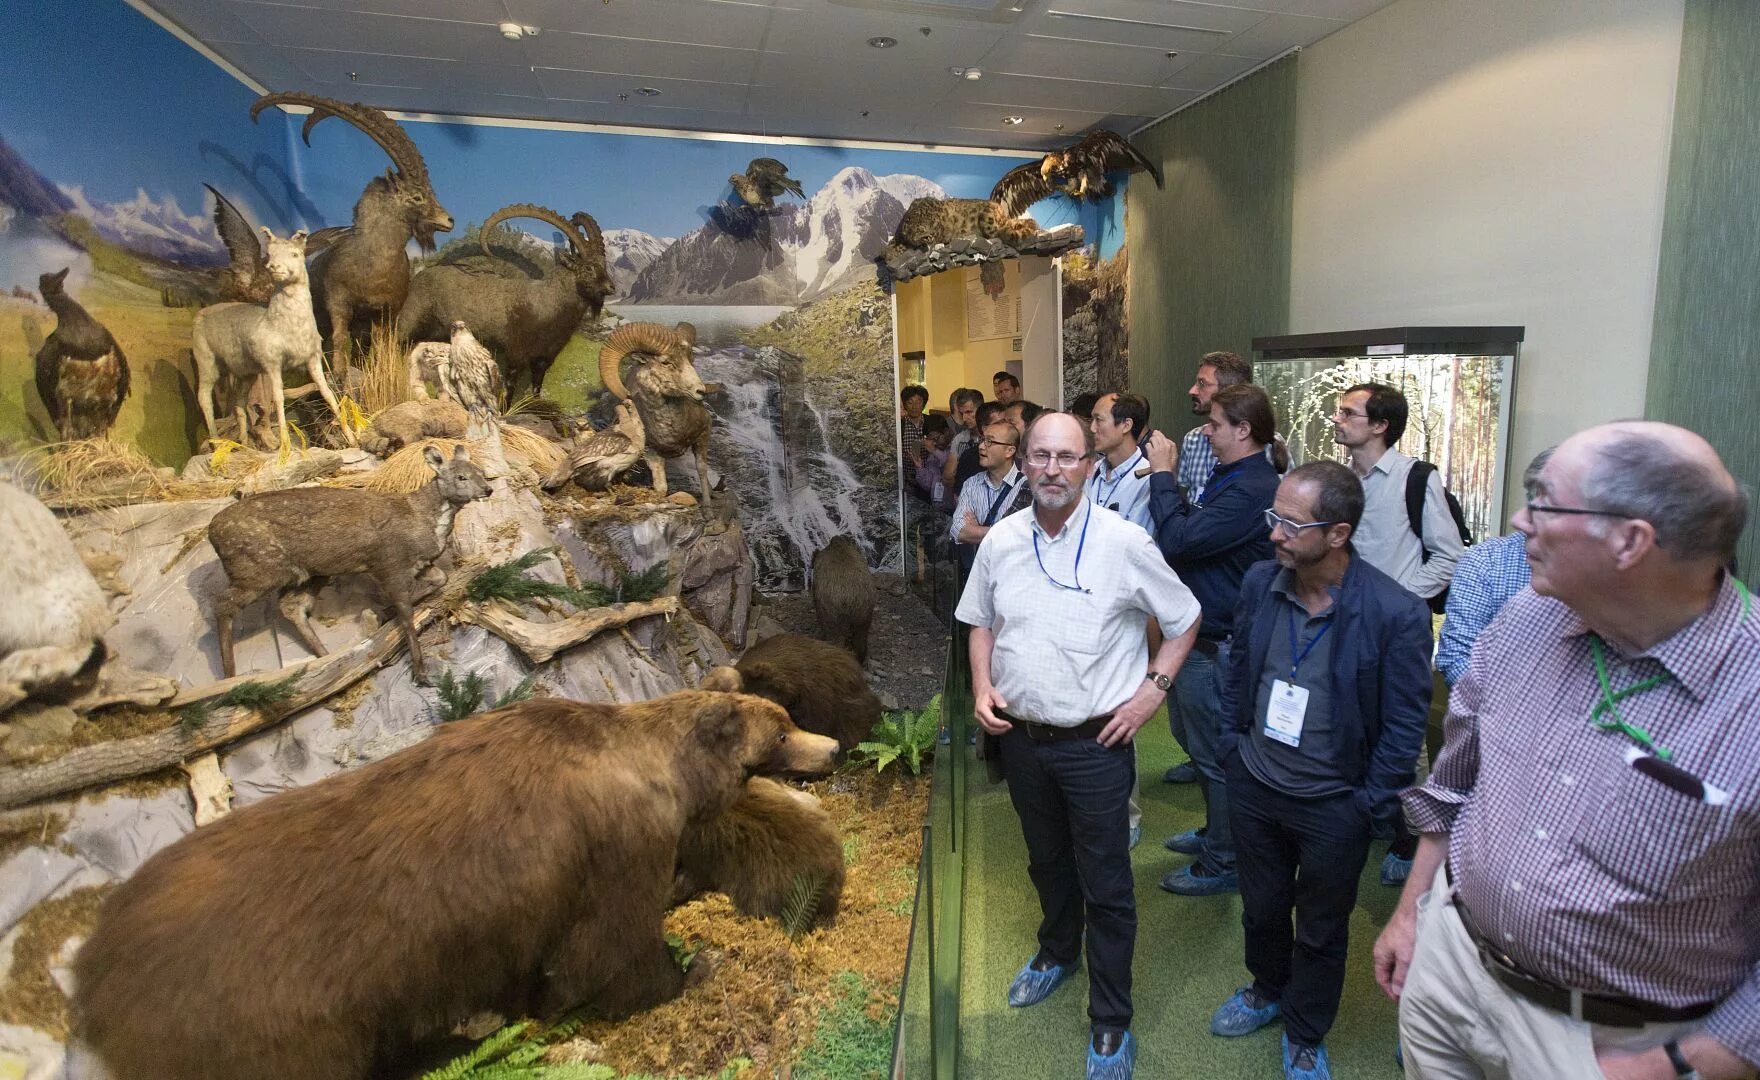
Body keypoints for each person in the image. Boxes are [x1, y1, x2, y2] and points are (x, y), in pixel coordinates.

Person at [1373, 421, 1758, 1080]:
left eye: (1544, 501)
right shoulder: (1525, 618)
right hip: (1452, 970)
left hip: (1611, 1046)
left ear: (1630, 541)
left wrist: (1679, 1066)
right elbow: (1452, 785)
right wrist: (1413, 916)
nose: (1521, 521)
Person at [958, 411, 1202, 1080]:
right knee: (1046, 862)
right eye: (1041, 455)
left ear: (1088, 466)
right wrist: (982, 686)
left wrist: (1153, 691)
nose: (1053, 469)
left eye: (1068, 456)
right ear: (1026, 463)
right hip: (1023, 741)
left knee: (1108, 882)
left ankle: (1111, 1022)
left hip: (1097, 744)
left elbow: (1185, 619)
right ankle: (1057, 951)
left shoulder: (1124, 542)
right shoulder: (1002, 540)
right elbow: (980, 622)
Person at [1204, 461, 1432, 1080]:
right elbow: (1238, 669)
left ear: (1337, 534)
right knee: (1263, 907)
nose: (1273, 532)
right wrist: (1232, 748)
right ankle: (1266, 989)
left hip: (1336, 804)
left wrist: (1368, 806)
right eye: (1273, 516)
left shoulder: (1396, 614)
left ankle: (1306, 1029)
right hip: (1255, 784)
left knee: (1323, 927)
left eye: (1288, 522)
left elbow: (1403, 727)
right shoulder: (1260, 583)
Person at [1143, 383, 1284, 895]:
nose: (1206, 428)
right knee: (1193, 742)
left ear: (1243, 430)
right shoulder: (1230, 478)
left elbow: (1180, 539)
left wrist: (1163, 475)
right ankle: (1215, 833)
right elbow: (1186, 539)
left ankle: (1224, 861)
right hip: (1197, 638)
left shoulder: (1251, 488)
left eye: (1217, 423)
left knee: (1217, 757)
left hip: (1219, 643)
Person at [1332, 381, 1464, 884]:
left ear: (1380, 425)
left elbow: (1449, 554)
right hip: (1342, 621)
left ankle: (1411, 838)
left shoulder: (1415, 479)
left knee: (1402, 732)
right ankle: (1369, 818)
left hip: (1396, 629)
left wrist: (1400, 601)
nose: (1338, 419)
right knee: (1351, 721)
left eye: (1349, 412)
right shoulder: (1342, 481)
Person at [1433, 447, 1553, 688]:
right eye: (1535, 503)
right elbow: (1456, 657)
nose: (1518, 520)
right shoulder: (1488, 562)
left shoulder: (1606, 575)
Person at [950, 418, 1028, 576]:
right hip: (980, 573)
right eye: (982, 440)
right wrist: (1001, 532)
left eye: (990, 442)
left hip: (1014, 575)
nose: (981, 446)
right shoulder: (971, 484)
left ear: (1010, 451)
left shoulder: (1026, 487)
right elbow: (958, 530)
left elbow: (1020, 536)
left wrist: (977, 530)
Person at [1177, 351, 1256, 504]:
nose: (1192, 391)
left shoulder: (1267, 445)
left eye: (1202, 383)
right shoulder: (1193, 439)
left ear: (1230, 390)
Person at [1087, 392, 1153, 531]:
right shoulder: (1093, 470)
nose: (1092, 429)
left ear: (1126, 425)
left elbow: (1134, 542)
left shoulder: (1147, 479)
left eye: (1098, 420)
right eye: (1091, 420)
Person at [955, 401, 1008, 490]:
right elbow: (958, 497)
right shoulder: (969, 458)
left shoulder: (1013, 450)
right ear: (985, 429)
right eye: (1001, 423)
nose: (1007, 427)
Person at [944, 387, 986, 491]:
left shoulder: (991, 438)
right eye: (962, 414)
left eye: (968, 412)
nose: (964, 419)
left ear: (981, 410)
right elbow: (947, 477)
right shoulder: (959, 438)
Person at [900, 384, 929, 475]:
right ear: (904, 405)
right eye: (910, 402)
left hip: (928, 477)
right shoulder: (901, 424)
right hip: (905, 476)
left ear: (924, 404)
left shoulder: (932, 422)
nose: (914, 406)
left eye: (918, 402)